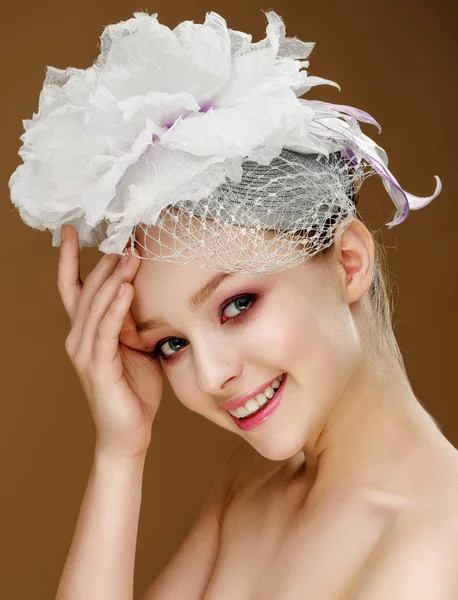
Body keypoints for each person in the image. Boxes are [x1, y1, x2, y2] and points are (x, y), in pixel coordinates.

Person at [9, 9, 457, 600]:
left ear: (348, 261)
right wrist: (120, 455)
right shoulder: (249, 489)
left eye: (237, 304)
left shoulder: (438, 546)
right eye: (171, 344)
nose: (213, 375)